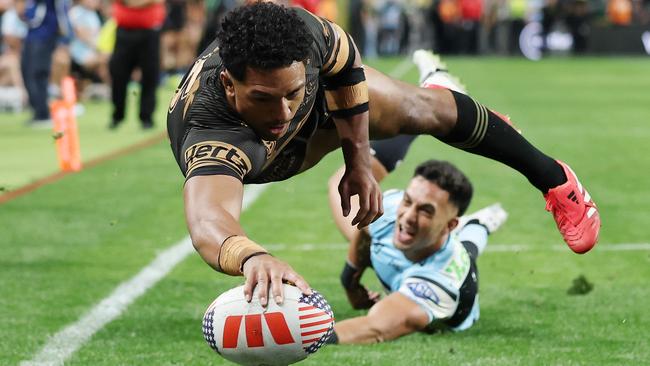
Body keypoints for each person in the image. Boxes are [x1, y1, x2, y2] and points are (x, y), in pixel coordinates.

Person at [166, 2, 600, 306]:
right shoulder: (212, 134)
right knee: (347, 159)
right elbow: (207, 221)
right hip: (273, 157)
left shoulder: (309, 36)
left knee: (422, 111)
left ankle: (556, 180)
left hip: (323, 97)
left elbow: (347, 62)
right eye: (263, 97)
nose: (281, 111)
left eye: (289, 93)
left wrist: (358, 162)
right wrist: (254, 257)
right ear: (229, 84)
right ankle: (436, 104)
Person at [328, 160, 507, 344]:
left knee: (469, 248)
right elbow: (365, 230)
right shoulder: (390, 205)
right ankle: (477, 223)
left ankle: (480, 224)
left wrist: (309, 335)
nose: (408, 216)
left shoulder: (440, 282)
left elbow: (376, 328)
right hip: (427, 245)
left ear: (450, 225)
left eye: (426, 211)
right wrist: (350, 280)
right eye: (407, 201)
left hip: (452, 289)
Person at [109, 0, 165, 129]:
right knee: (118, 73)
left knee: (150, 75)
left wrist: (133, 3)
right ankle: (117, 115)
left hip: (149, 32)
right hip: (124, 31)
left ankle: (146, 117)